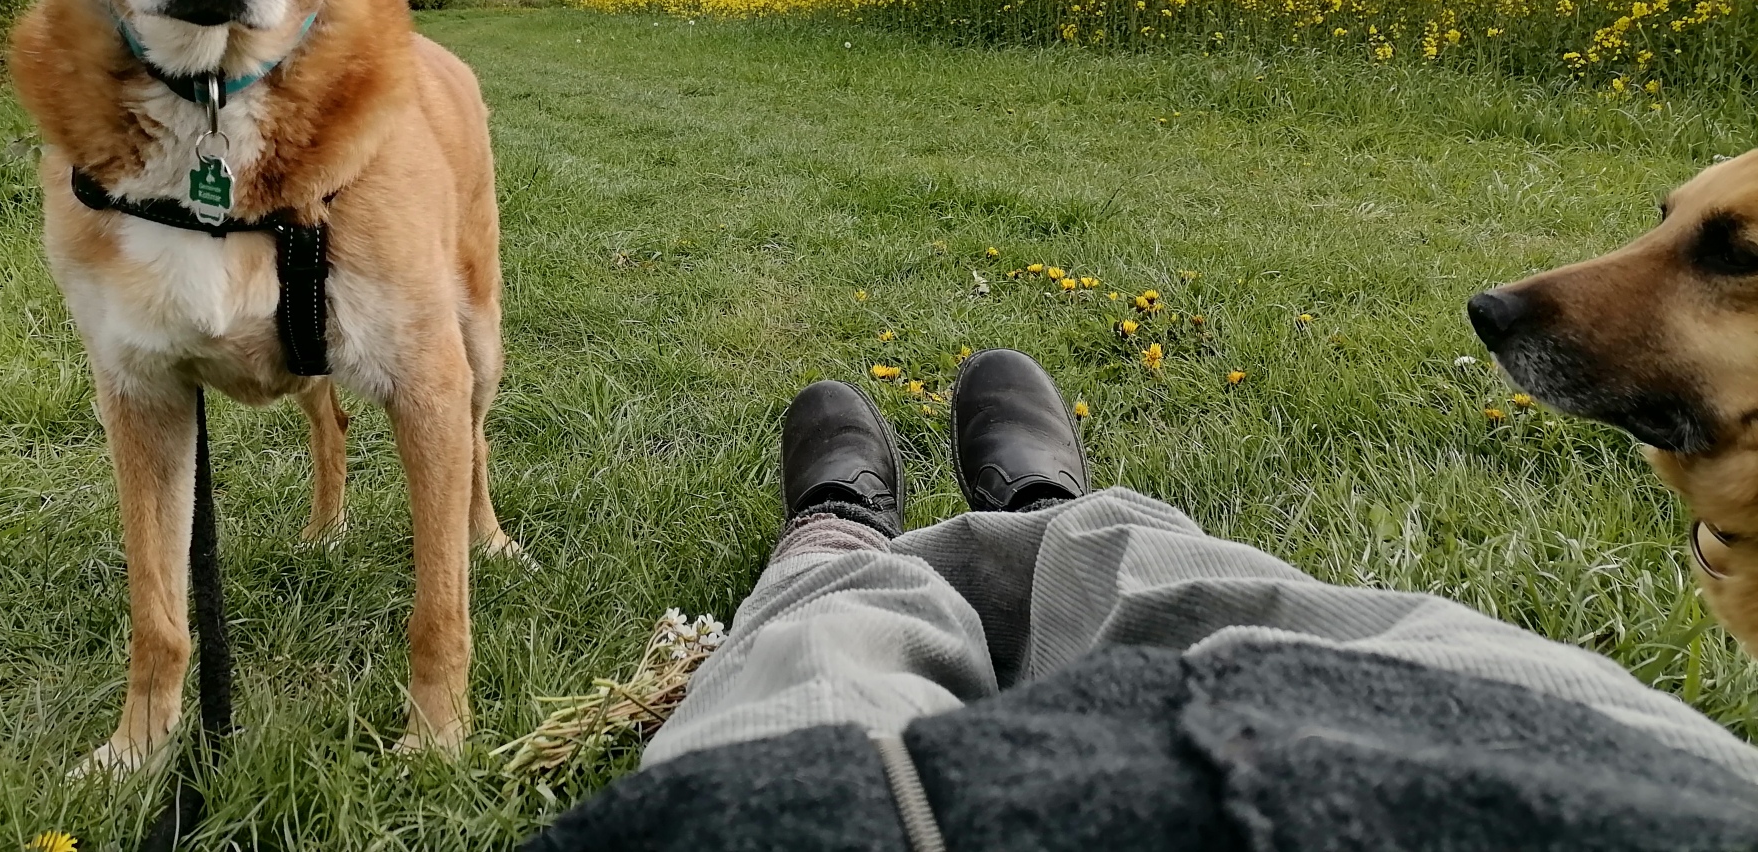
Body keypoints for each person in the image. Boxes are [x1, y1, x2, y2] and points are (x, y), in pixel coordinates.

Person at [527, 349, 1758, 852]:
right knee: (1197, 583)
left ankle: (837, 538)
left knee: (828, 639)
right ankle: (1048, 510)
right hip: (1605, 788)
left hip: (814, 819)